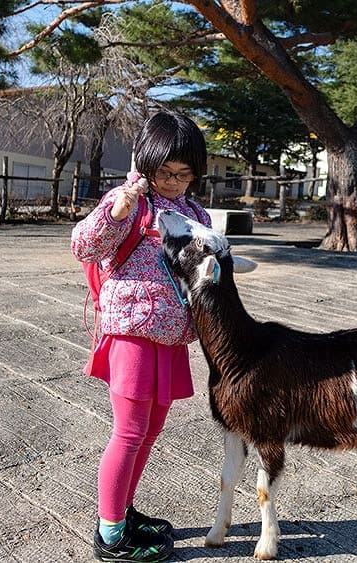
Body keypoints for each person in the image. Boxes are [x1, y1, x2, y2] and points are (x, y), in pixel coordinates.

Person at [71, 112, 211, 563]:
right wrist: (117, 212)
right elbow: (83, 247)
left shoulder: (195, 212)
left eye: (183, 174)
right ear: (146, 164)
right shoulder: (129, 201)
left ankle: (123, 511)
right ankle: (110, 534)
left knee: (150, 432)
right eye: (163, 172)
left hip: (172, 336)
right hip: (132, 330)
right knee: (129, 432)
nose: (172, 182)